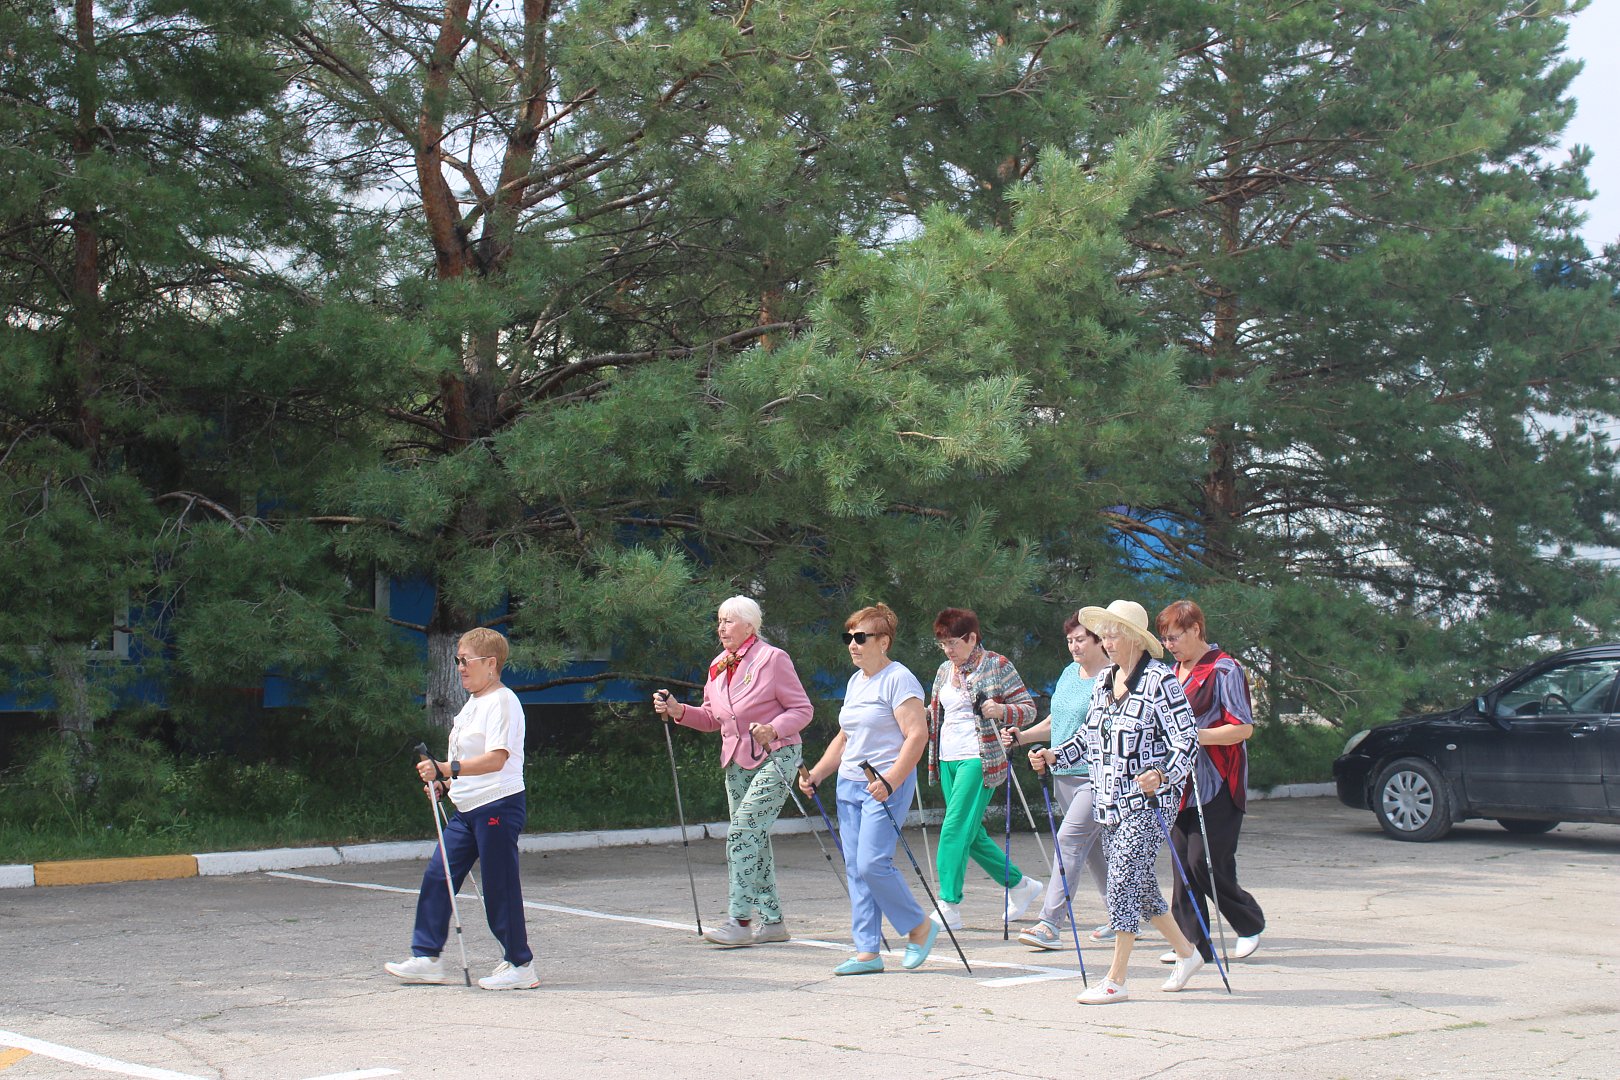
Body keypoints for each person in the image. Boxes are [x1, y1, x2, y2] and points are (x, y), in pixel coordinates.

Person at [1030, 600, 1205, 1005]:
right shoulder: (1105, 681)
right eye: (1105, 635)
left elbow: (1187, 740)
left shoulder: (1160, 681)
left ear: (1134, 639)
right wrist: (1055, 755)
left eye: (1113, 635)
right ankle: (1187, 953)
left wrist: (1162, 773)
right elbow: (1089, 737)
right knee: (1141, 887)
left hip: (1149, 802)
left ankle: (1116, 979)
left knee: (1123, 880)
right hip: (1108, 800)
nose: (1107, 642)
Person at [653, 596, 814, 946]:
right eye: (720, 621)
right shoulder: (718, 665)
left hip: (776, 755)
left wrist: (774, 728)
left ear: (749, 626)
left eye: (729, 621)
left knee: (742, 833)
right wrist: (678, 710)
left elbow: (802, 709)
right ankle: (773, 922)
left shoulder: (773, 659)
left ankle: (739, 922)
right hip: (736, 762)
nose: (721, 628)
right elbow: (713, 719)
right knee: (755, 837)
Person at [386, 628, 537, 990]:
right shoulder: (473, 703)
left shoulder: (502, 701)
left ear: (491, 663)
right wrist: (447, 784)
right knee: (438, 875)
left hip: (497, 804)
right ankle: (426, 958)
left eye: (466, 660)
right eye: (458, 660)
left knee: (499, 885)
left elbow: (497, 759)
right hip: (467, 808)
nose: (460, 667)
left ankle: (520, 964)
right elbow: (467, 760)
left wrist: (445, 768)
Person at [798, 603, 940, 975]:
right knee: (856, 868)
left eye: (861, 637)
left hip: (885, 783)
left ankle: (919, 926)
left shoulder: (899, 679)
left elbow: (917, 735)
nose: (852, 644)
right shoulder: (856, 681)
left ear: (884, 642)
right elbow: (846, 737)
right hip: (850, 784)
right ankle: (867, 951)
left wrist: (891, 780)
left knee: (872, 863)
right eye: (848, 637)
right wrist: (818, 773)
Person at [1157, 599, 1266, 964]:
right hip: (1177, 783)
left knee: (1204, 862)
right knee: (1181, 866)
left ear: (1196, 630)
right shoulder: (1171, 673)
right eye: (1165, 639)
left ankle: (1248, 922)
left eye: (1174, 637)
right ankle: (1191, 945)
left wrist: (1195, 737)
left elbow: (1242, 728)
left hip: (1218, 781)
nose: (1169, 645)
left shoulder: (1224, 669)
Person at [924, 607, 1043, 931]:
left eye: (953, 643)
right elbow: (938, 712)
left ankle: (949, 904)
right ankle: (1020, 885)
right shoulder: (943, 670)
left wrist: (1000, 710)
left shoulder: (996, 665)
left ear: (972, 638)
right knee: (971, 833)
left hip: (980, 757)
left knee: (953, 828)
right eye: (943, 644)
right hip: (947, 757)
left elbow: (1028, 709)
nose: (948, 650)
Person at [1001, 613, 1110, 949]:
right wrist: (1023, 737)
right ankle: (1126, 915)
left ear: (1099, 640)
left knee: (1069, 841)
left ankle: (1050, 923)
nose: (1074, 646)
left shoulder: (1111, 678)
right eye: (1070, 641)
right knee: (1092, 851)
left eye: (1081, 640)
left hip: (1095, 776)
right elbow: (1056, 721)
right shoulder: (1068, 673)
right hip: (1062, 774)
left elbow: (1094, 732)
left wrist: (1055, 752)